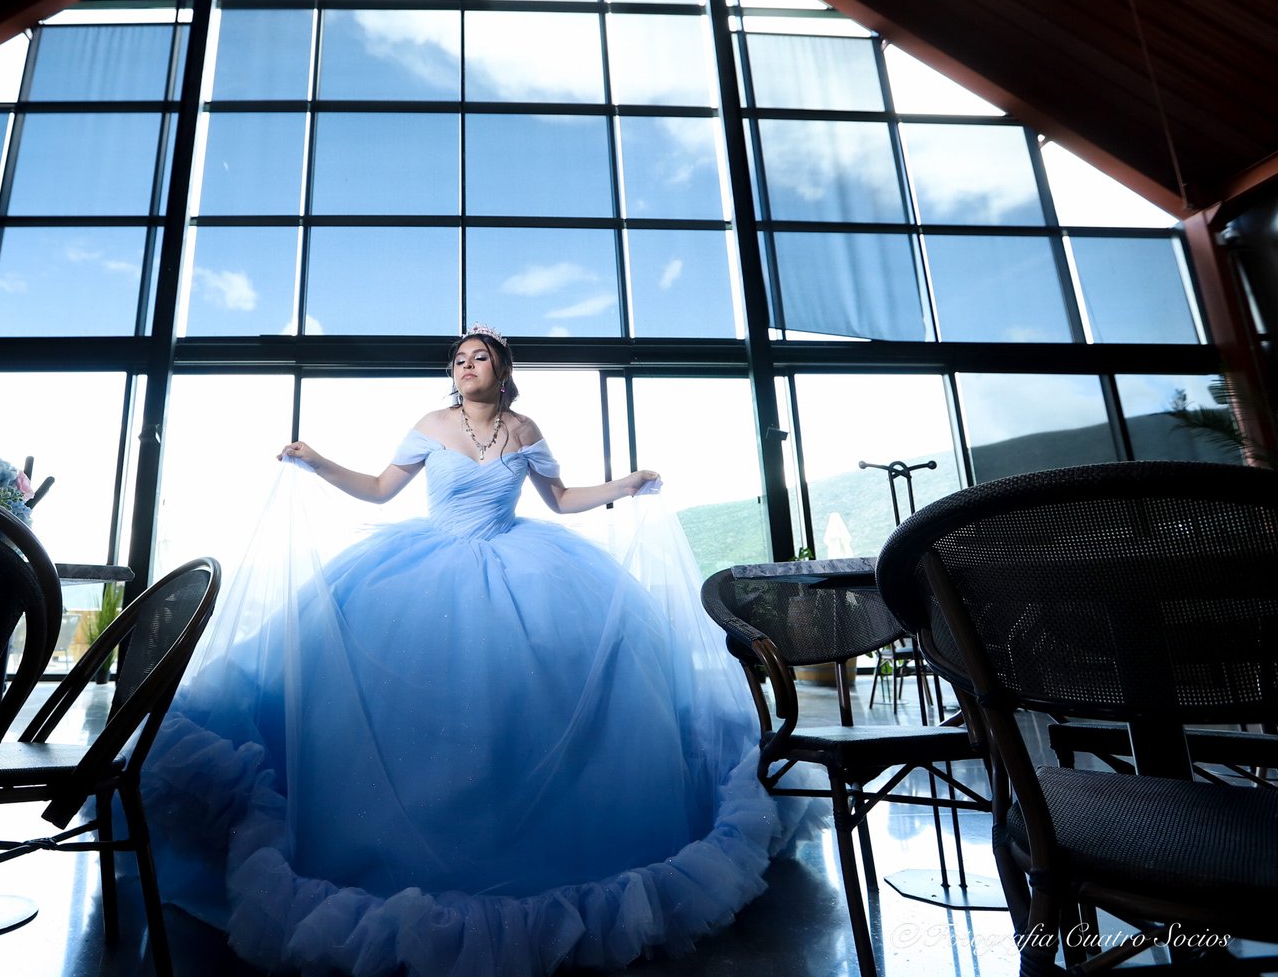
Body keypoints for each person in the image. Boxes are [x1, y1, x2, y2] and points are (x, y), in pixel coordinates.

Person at [142, 325, 818, 977]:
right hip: (426, 567)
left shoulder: (524, 430)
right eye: (459, 358)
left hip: (522, 561)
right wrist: (315, 460)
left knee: (545, 688)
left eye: (479, 357)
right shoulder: (432, 425)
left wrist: (624, 485)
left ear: (503, 369)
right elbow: (379, 488)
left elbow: (561, 499)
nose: (466, 365)